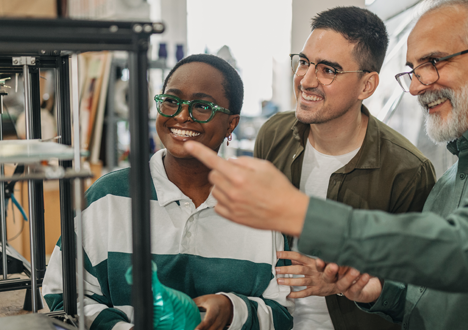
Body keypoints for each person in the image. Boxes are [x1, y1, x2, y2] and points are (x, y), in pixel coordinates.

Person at [183, 0, 468, 329]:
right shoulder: (454, 178)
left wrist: (297, 211)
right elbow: (431, 291)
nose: (416, 85)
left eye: (433, 62)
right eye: (412, 70)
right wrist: (377, 290)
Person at [42, 54, 293, 330]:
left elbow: (285, 311)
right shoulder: (108, 198)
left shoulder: (261, 206)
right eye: (172, 101)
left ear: (231, 124)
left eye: (202, 106)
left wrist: (232, 311)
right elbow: (63, 296)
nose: (182, 116)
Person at [254, 6, 435, 330]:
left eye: (328, 70)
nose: (306, 80)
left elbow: (416, 293)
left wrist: (342, 280)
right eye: (305, 62)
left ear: (367, 86)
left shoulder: (407, 171)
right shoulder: (274, 135)